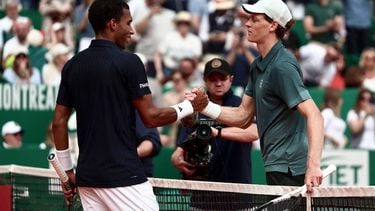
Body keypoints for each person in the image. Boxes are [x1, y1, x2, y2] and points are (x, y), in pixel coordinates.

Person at [51, 0, 208, 210]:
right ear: (113, 24)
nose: (132, 31)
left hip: (88, 179)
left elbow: (58, 122)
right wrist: (190, 106)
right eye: (128, 23)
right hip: (124, 177)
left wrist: (68, 170)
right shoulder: (130, 62)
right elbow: (151, 118)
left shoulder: (72, 66)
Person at [188, 0, 325, 193]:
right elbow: (242, 116)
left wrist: (313, 166)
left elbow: (315, 115)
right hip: (275, 165)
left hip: (291, 168)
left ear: (272, 25)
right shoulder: (258, 66)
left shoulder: (282, 66)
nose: (247, 23)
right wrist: (205, 106)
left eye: (254, 19)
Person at [171, 58, 258, 210]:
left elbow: (253, 132)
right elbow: (182, 144)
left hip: (238, 193)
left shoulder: (241, 106)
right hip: (203, 195)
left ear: (231, 79)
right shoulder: (194, 109)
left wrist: (217, 132)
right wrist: (176, 157)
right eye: (212, 79)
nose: (218, 83)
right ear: (205, 80)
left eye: (222, 78)